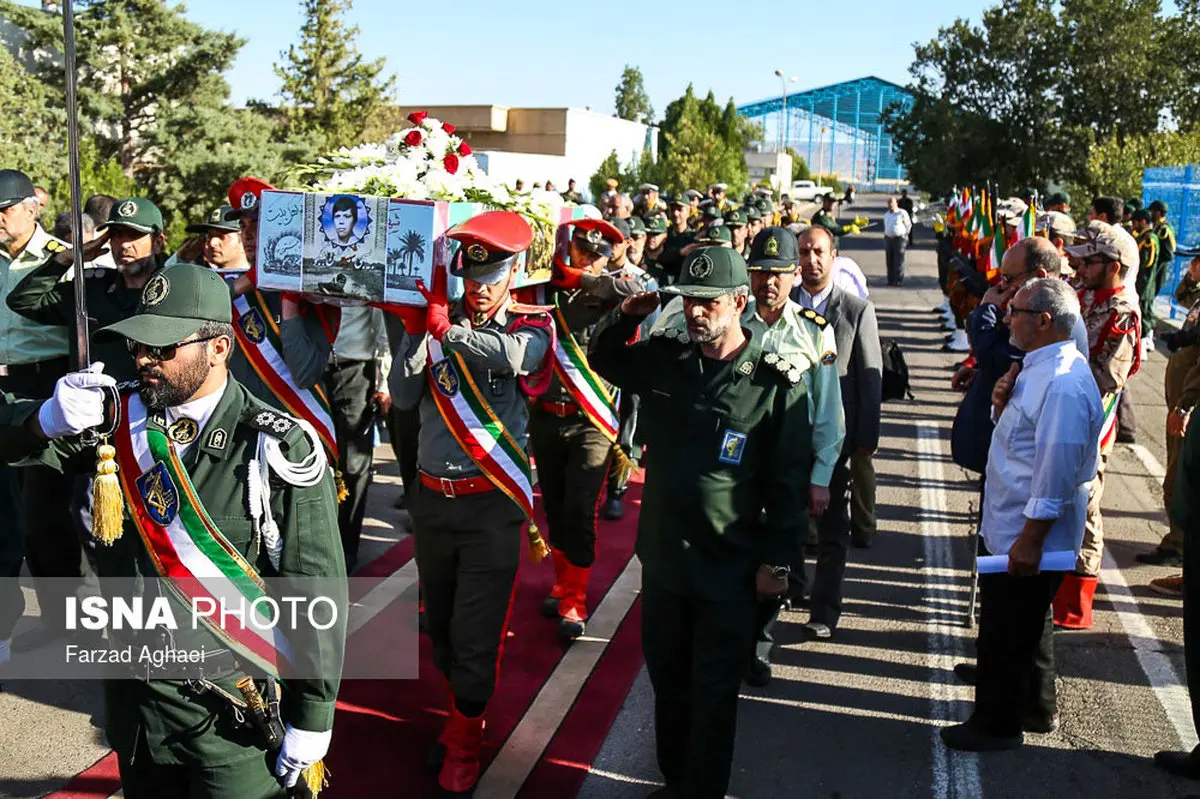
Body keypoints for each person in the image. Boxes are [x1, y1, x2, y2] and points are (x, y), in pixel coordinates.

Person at [0, 263, 347, 797]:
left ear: (218, 347)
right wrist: (44, 418)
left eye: (163, 349)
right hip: (136, 703)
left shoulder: (271, 445)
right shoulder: (115, 417)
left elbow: (313, 585)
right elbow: (15, 443)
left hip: (232, 711)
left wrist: (314, 714)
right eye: (138, 345)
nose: (143, 359)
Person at [588, 245, 811, 799]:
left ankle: (700, 790)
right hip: (666, 560)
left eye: (708, 302)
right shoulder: (668, 359)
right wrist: (627, 317)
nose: (695, 312)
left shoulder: (775, 381)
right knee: (669, 684)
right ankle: (677, 780)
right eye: (689, 300)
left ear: (739, 302)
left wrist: (778, 564)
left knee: (712, 694)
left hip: (728, 568)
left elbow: (788, 485)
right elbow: (604, 358)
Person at [389, 211, 553, 796]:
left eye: (492, 276)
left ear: (513, 275)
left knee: (477, 632)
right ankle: (462, 713)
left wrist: (444, 331)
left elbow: (514, 359)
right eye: (471, 276)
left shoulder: (533, 326)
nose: (479, 288)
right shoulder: (440, 323)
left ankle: (464, 740)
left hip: (490, 507)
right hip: (435, 503)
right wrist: (412, 331)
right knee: (442, 630)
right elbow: (405, 397)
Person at [941, 278, 1102, 752]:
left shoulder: (1064, 382)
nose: (1007, 317)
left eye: (1016, 310)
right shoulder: (1036, 366)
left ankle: (996, 725)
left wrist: (1031, 538)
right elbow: (1021, 440)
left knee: (1005, 634)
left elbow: (1055, 469)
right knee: (1021, 627)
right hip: (1010, 521)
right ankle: (1031, 705)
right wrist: (998, 405)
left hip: (1026, 532)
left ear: (1045, 321)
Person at [530, 218, 640, 639]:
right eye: (581, 252)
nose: (587, 260)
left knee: (579, 509)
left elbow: (636, 294)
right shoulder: (547, 288)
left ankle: (575, 601)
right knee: (555, 505)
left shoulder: (617, 290)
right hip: (546, 413)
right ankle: (562, 585)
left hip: (590, 422)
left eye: (596, 254)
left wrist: (593, 281)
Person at [789, 225, 882, 636]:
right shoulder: (783, 304)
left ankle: (824, 613)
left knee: (833, 530)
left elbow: (869, 377)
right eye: (804, 252)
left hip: (838, 438)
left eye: (819, 252)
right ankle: (792, 588)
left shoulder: (856, 310)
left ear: (833, 256)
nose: (811, 260)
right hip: (788, 435)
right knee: (787, 522)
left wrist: (866, 439)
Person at [0, 169, 77, 650]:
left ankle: (62, 621)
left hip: (45, 384)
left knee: (46, 514)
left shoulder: (62, 261)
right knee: (4, 514)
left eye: (4, 210)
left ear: (32, 208)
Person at [1054, 223, 1140, 629]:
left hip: (1091, 418)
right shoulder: (1083, 295)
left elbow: (1107, 377)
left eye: (1091, 261)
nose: (1082, 265)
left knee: (1084, 503)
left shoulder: (1123, 314)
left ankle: (1076, 603)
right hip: (1059, 407)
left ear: (1114, 267)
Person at [1136, 252, 1200, 578]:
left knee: (1180, 481)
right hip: (1182, 402)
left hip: (1190, 407)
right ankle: (1178, 546)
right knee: (1177, 476)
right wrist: (1191, 276)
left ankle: (1179, 549)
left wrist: (1186, 404)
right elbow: (1182, 298)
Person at [325, 305, 390, 573]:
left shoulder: (367, 267)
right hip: (312, 366)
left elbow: (382, 328)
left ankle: (346, 547)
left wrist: (384, 383)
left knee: (353, 465)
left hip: (354, 370)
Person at [184, 205, 249, 274]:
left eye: (222, 237)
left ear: (244, 239)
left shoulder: (257, 281)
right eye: (209, 236)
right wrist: (181, 258)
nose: (212, 243)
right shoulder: (201, 279)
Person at [1130, 209, 1160, 353]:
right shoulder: (1142, 237)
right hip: (1141, 282)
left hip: (1144, 283)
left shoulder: (1149, 239)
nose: (1133, 225)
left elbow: (1145, 263)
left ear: (1143, 221)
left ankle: (1143, 346)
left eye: (1135, 222)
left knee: (1145, 315)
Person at [883, 196, 913, 286]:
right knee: (889, 260)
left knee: (898, 260)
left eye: (892, 202)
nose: (890, 204)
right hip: (889, 239)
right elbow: (886, 226)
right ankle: (890, 280)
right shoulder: (886, 214)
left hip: (899, 239)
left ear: (896, 203)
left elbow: (908, 225)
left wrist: (905, 235)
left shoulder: (901, 213)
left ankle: (898, 280)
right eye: (889, 203)